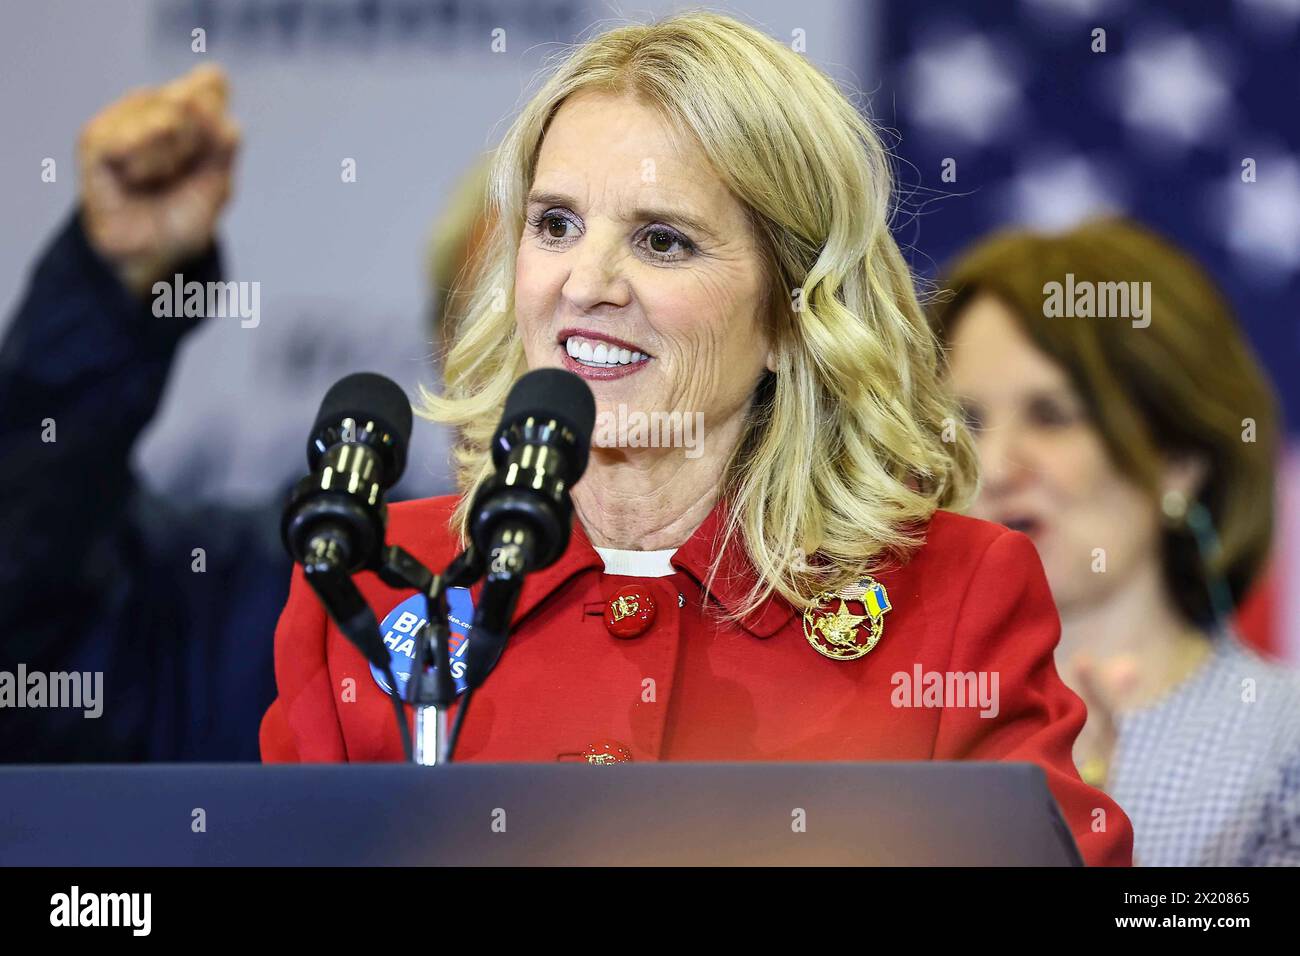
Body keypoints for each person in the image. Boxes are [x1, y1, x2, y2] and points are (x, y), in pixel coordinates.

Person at [261, 12, 1133, 866]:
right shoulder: (367, 585)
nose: (587, 284)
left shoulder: (953, 595)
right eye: (555, 224)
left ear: (796, 315)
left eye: (662, 241)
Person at [0, 66, 473, 761]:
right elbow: (30, 614)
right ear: (443, 347)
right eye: (495, 308)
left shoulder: (689, 606)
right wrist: (101, 299)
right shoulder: (274, 598)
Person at [936, 217, 1300, 865]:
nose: (991, 466)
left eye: (1051, 416)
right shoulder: (886, 717)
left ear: (1177, 462)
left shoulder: (1283, 743)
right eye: (967, 421)